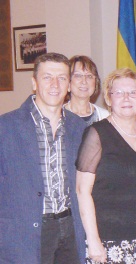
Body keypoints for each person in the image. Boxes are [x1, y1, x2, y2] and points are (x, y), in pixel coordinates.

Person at [0, 53, 86, 263]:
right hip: (23, 232)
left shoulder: (79, 127)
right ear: (34, 82)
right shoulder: (6, 126)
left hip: (70, 227)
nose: (55, 84)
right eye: (47, 77)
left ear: (69, 85)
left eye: (62, 78)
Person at [76, 68, 136, 263]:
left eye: (133, 92)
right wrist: (93, 240)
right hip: (108, 242)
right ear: (109, 99)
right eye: (119, 93)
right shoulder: (97, 134)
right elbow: (82, 190)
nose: (126, 98)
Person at [63, 55, 109, 126]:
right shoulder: (57, 116)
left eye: (89, 76)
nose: (84, 81)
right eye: (78, 75)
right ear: (68, 82)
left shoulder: (106, 116)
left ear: (95, 82)